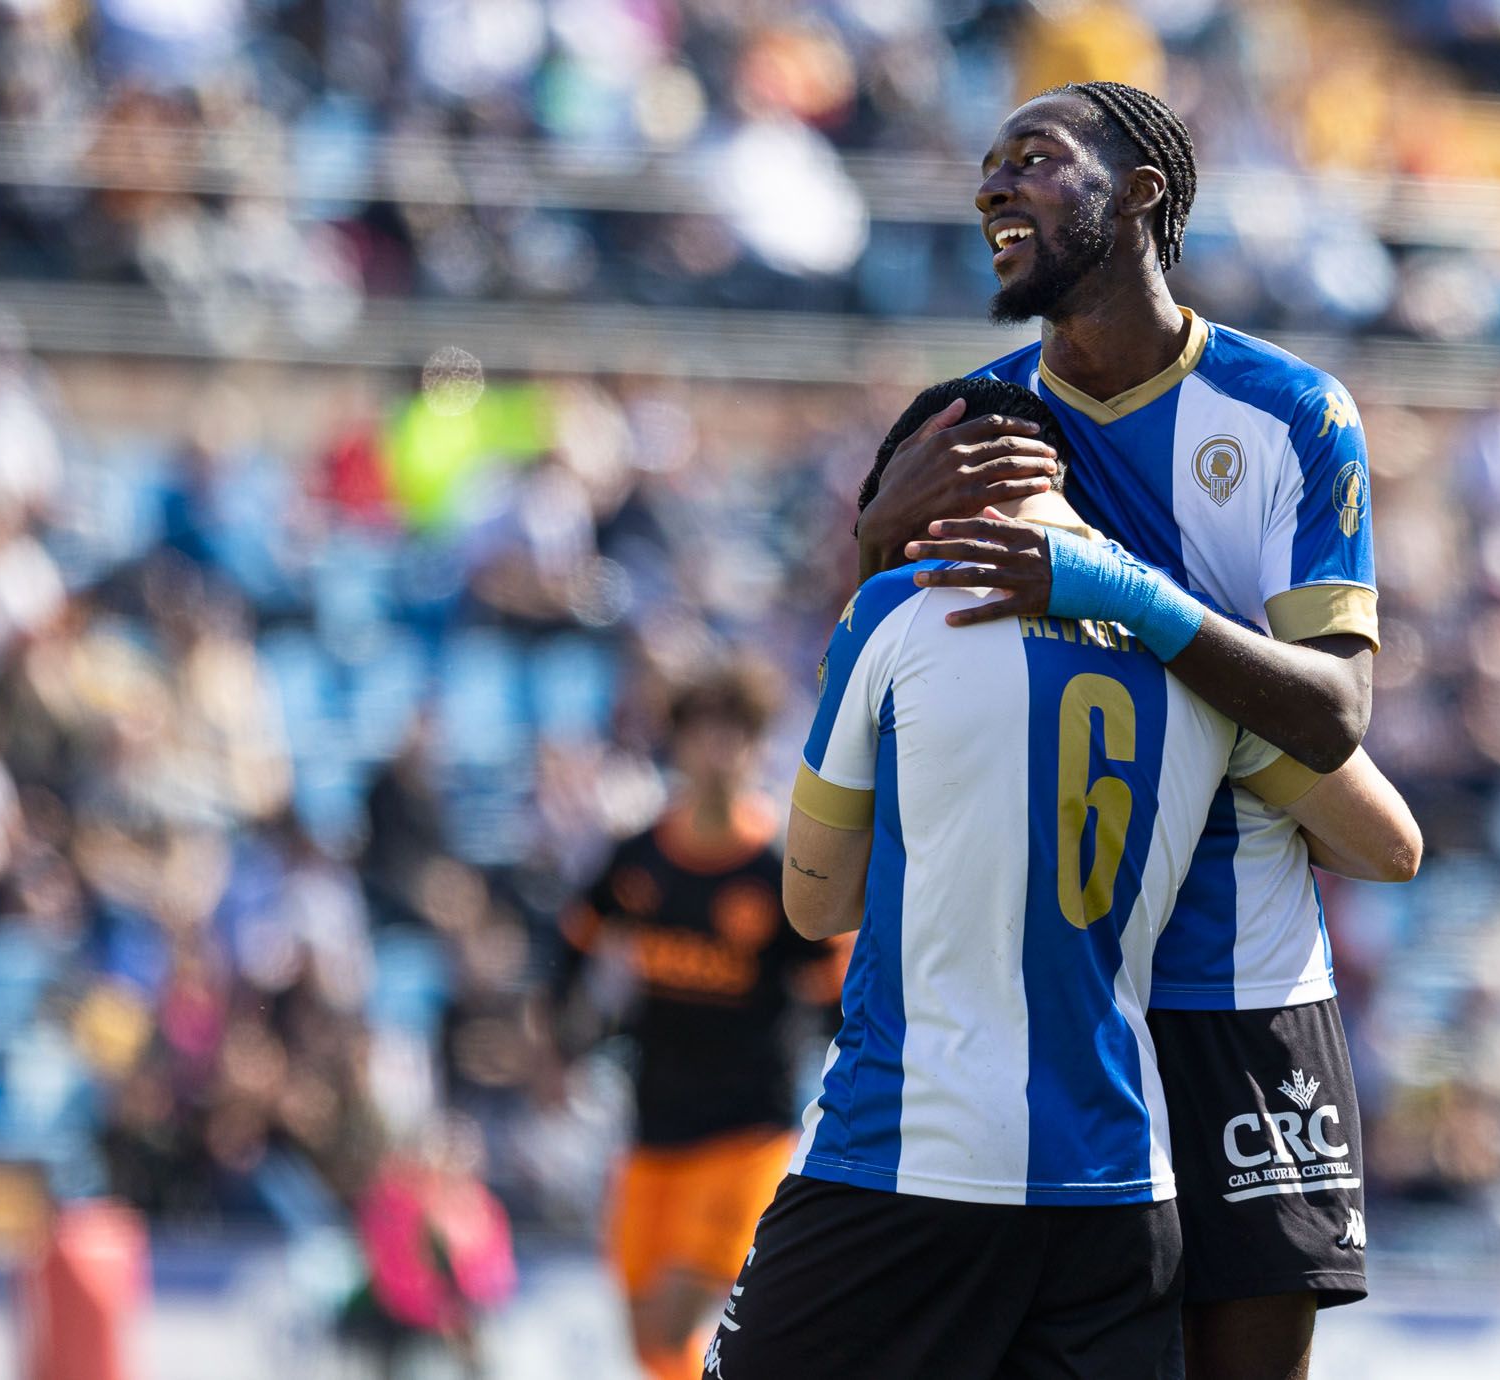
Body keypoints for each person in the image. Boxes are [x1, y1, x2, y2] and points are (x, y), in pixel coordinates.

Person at [704, 376, 1416, 1379]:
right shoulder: (1192, 645)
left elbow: (817, 901)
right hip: (1121, 1181)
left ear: (937, 468)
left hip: (907, 1152)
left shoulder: (897, 612)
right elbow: (1390, 844)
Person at [853, 82, 1404, 1380]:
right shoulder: (968, 425)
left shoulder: (1290, 415)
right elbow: (889, 698)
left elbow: (1338, 710)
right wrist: (876, 543)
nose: (993, 185)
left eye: (1033, 159)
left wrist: (1123, 597)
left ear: (1142, 192)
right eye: (985, 166)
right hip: (1045, 1001)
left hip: (1246, 989)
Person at [552, 661, 847, 1380]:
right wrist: (553, 1041)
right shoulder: (640, 855)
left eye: (733, 735)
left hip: (746, 1132)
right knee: (648, 1343)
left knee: (675, 1312)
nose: (716, 752)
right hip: (653, 1126)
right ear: (677, 744)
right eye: (701, 734)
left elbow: (836, 991)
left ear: (754, 747)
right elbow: (574, 941)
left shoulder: (780, 870)